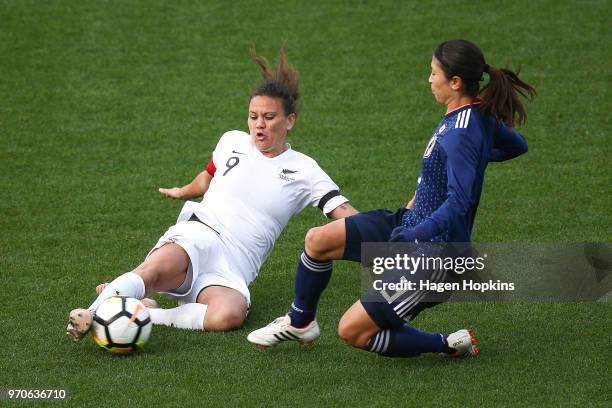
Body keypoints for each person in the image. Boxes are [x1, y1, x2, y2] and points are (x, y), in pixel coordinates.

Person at [247, 39, 535, 358]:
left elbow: (459, 202)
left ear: (455, 82)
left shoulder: (461, 132)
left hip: (434, 256)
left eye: (434, 73)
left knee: (352, 331)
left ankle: (448, 344)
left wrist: (417, 233)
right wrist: (469, 163)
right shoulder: (474, 115)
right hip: (408, 223)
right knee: (318, 240)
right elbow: (517, 145)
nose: (429, 79)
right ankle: (300, 323)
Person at [66, 48, 358, 340]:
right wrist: (183, 191)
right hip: (200, 233)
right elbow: (207, 178)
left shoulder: (305, 170)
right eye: (253, 116)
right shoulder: (232, 141)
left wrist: (393, 233)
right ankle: (91, 313)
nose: (259, 124)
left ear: (289, 121)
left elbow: (345, 215)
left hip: (236, 266)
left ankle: (146, 312)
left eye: (269, 117)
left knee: (228, 316)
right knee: (151, 272)